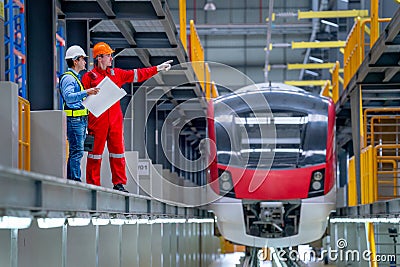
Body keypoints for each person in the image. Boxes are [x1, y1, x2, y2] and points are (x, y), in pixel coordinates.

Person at [82, 41, 172, 192]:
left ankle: (119, 183)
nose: (111, 58)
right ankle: (93, 185)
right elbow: (83, 98)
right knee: (94, 154)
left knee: (118, 152)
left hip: (115, 121)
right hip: (97, 121)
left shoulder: (116, 74)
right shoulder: (89, 77)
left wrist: (157, 69)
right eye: (108, 55)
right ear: (99, 58)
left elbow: (137, 74)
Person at [59, 45, 100, 181]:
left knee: (77, 152)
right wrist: (87, 92)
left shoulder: (75, 78)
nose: (84, 62)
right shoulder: (69, 78)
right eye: (82, 59)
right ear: (75, 60)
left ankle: (74, 179)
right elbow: (69, 97)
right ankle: (74, 180)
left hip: (80, 120)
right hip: (75, 121)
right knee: (76, 152)